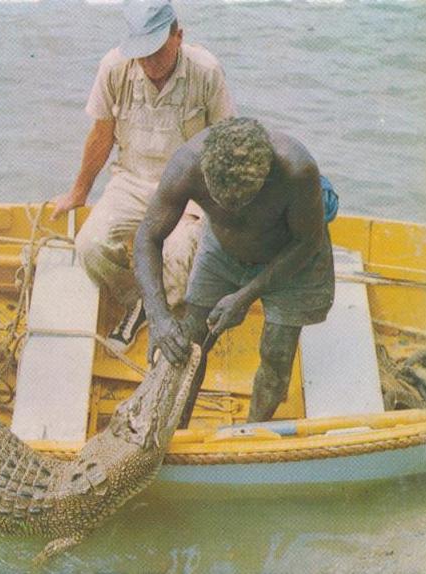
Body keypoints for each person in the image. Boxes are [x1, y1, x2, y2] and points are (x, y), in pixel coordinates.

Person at [51, 0, 235, 353]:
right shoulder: (114, 67)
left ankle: (161, 310)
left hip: (188, 188)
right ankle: (140, 301)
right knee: (90, 245)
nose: (149, 63)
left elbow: (225, 142)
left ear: (178, 37)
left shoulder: (207, 71)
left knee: (179, 252)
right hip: (132, 180)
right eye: (141, 53)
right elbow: (101, 135)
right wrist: (79, 192)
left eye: (157, 51)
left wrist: (226, 212)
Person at [134, 117, 335, 424]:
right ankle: (177, 426)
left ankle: (252, 430)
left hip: (293, 256)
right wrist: (158, 317)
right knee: (188, 342)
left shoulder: (297, 169)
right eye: (223, 205)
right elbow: (147, 236)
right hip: (223, 249)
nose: (235, 212)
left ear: (267, 176)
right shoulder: (186, 164)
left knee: (277, 355)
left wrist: (245, 296)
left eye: (245, 202)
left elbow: (308, 241)